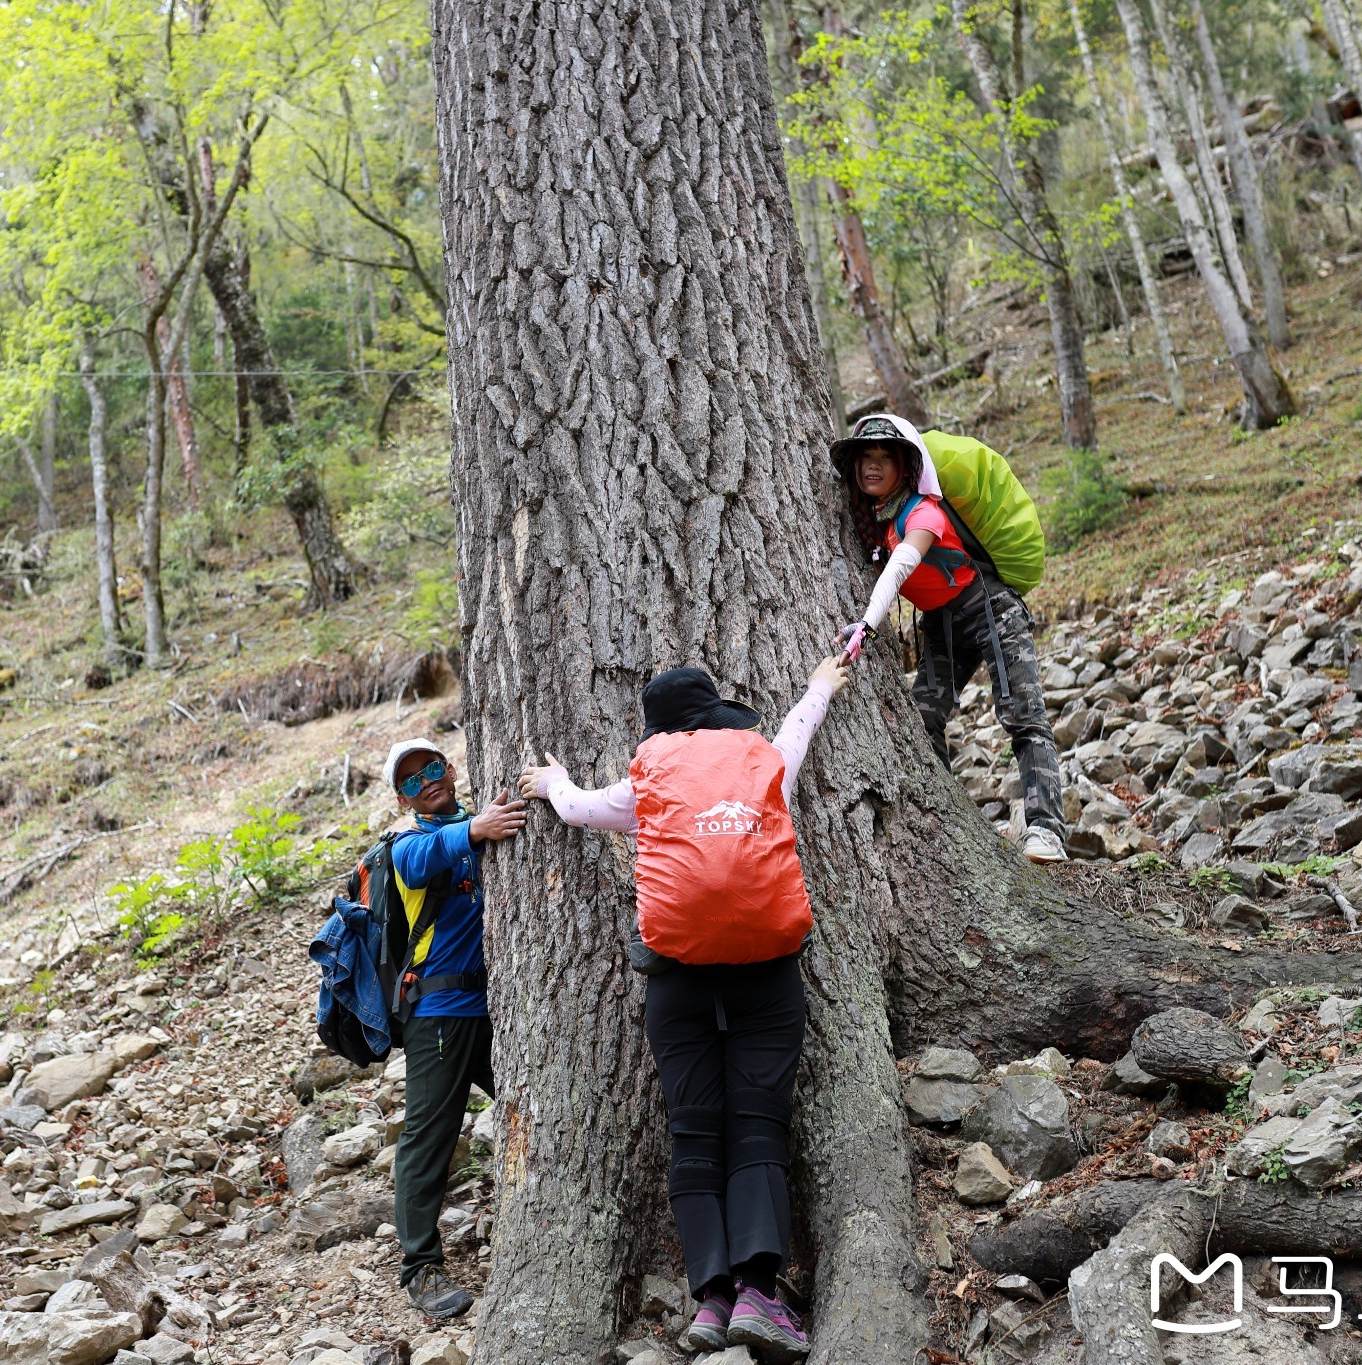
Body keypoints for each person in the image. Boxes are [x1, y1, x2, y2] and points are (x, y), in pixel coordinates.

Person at [517, 659, 847, 1363]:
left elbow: (576, 809)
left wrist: (550, 781)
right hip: (766, 968)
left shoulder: (648, 778)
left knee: (692, 1130)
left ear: (657, 727)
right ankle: (762, 1292)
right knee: (758, 1122)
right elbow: (799, 728)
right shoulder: (761, 760)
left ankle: (711, 1297)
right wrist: (821, 683)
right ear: (720, 718)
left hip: (677, 976)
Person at [831, 413, 1069, 864]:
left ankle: (1046, 831)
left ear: (906, 468)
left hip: (990, 609)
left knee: (1023, 712)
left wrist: (865, 625)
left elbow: (903, 564)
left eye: (886, 457)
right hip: (941, 625)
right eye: (866, 457)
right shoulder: (874, 522)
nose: (874, 466)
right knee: (922, 719)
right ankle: (951, 829)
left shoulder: (922, 511)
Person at [382, 738, 526, 1321]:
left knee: (538, 1108)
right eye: (413, 781)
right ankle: (419, 1268)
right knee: (428, 1138)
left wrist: (482, 824)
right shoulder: (408, 844)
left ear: (451, 768)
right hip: (438, 1018)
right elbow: (418, 863)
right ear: (403, 798)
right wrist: (476, 830)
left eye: (434, 768)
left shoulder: (474, 824)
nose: (429, 782)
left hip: (497, 1014)